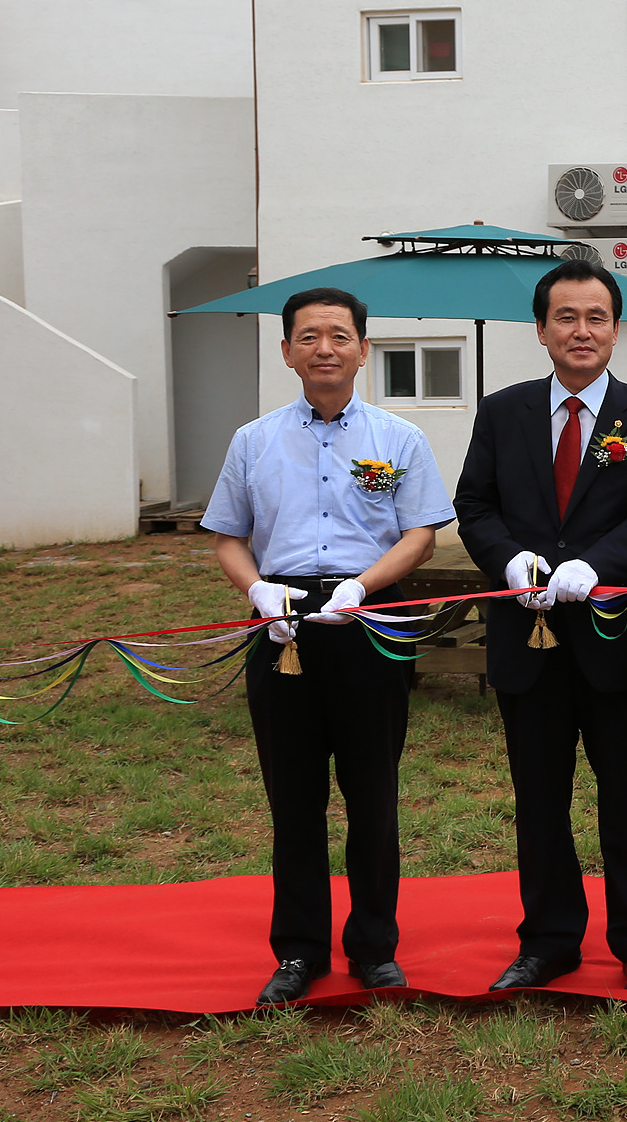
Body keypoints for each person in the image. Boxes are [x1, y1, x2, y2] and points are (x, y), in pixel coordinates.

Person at [202, 287, 452, 1006]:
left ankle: (375, 946)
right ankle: (299, 951)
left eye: (339, 335)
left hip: (366, 620)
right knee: (295, 799)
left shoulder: (399, 440)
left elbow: (419, 534)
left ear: (364, 349)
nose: (324, 348)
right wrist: (256, 589)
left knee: (373, 794)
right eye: (307, 336)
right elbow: (227, 534)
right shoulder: (253, 440)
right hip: (280, 622)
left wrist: (364, 586)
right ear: (286, 352)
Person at [454, 259, 627, 992]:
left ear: (616, 328)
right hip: (526, 638)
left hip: (614, 632)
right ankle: (549, 938)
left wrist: (600, 564)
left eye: (596, 317)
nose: (581, 330)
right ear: (542, 328)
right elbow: (475, 504)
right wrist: (509, 559)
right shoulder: (503, 411)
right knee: (539, 796)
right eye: (566, 317)